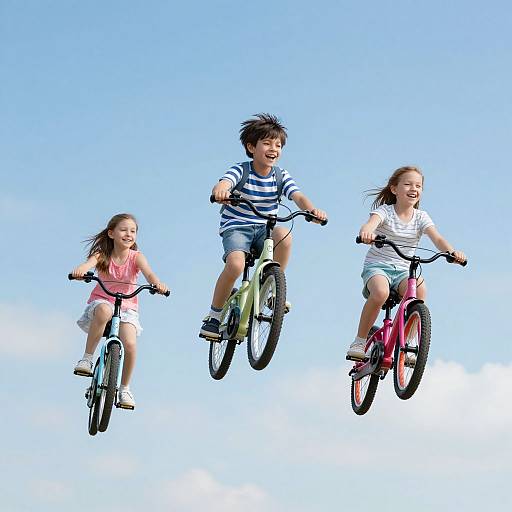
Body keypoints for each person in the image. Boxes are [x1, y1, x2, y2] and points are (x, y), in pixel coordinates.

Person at [200, 113, 327, 339]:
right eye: (267, 143)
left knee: (284, 236)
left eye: (278, 145)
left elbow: (297, 196)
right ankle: (214, 316)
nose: (273, 149)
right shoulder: (242, 170)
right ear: (251, 147)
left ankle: (270, 287)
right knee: (236, 265)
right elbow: (224, 182)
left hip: (265, 229)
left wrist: (312, 210)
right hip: (237, 227)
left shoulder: (280, 176)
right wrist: (220, 191)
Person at [347, 166, 466, 359]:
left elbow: (437, 238)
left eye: (418, 186)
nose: (414, 189)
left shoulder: (421, 217)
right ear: (394, 189)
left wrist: (452, 252)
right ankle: (360, 341)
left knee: (420, 291)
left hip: (404, 269)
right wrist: (367, 232)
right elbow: (370, 224)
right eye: (408, 184)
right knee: (380, 293)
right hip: (379, 266)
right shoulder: (385, 211)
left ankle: (407, 346)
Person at [71, 213, 169, 409]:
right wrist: (81, 271)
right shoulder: (102, 254)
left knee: (130, 343)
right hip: (102, 300)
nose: (128, 234)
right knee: (105, 311)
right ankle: (87, 358)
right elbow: (88, 264)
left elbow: (149, 273)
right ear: (111, 233)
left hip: (127, 307)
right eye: (123, 230)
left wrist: (157, 284)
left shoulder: (136, 257)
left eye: (133, 231)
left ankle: (124, 388)